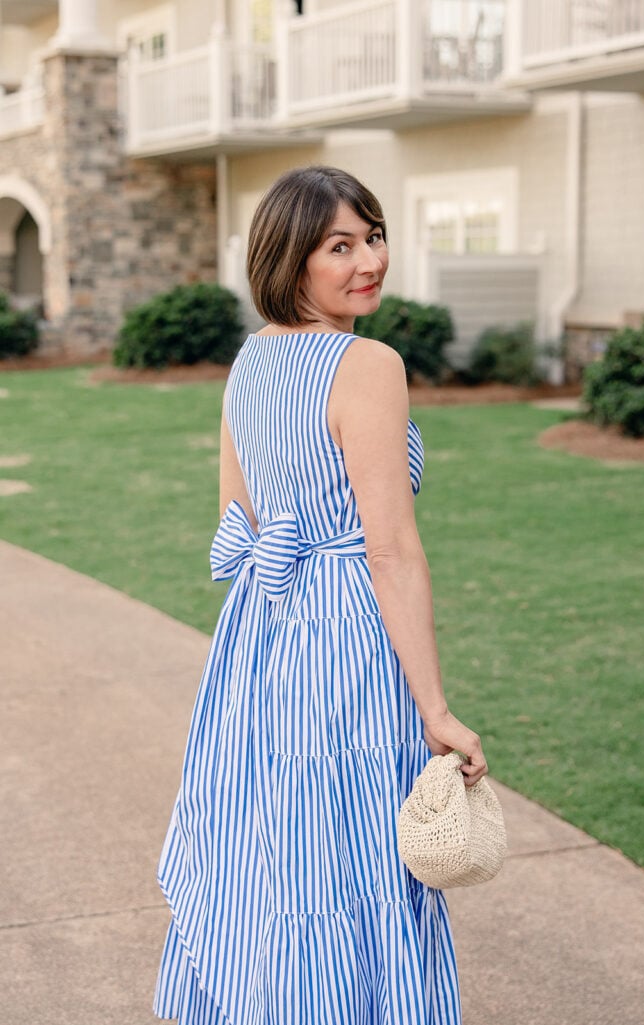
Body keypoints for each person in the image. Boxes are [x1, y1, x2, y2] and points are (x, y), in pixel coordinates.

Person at [153, 165, 488, 1025]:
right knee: (363, 858)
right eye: (339, 245)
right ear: (290, 260)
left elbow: (240, 516)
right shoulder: (368, 363)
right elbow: (392, 550)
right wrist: (437, 709)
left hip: (262, 639)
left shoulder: (249, 363)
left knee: (282, 853)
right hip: (343, 634)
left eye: (371, 236)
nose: (367, 259)